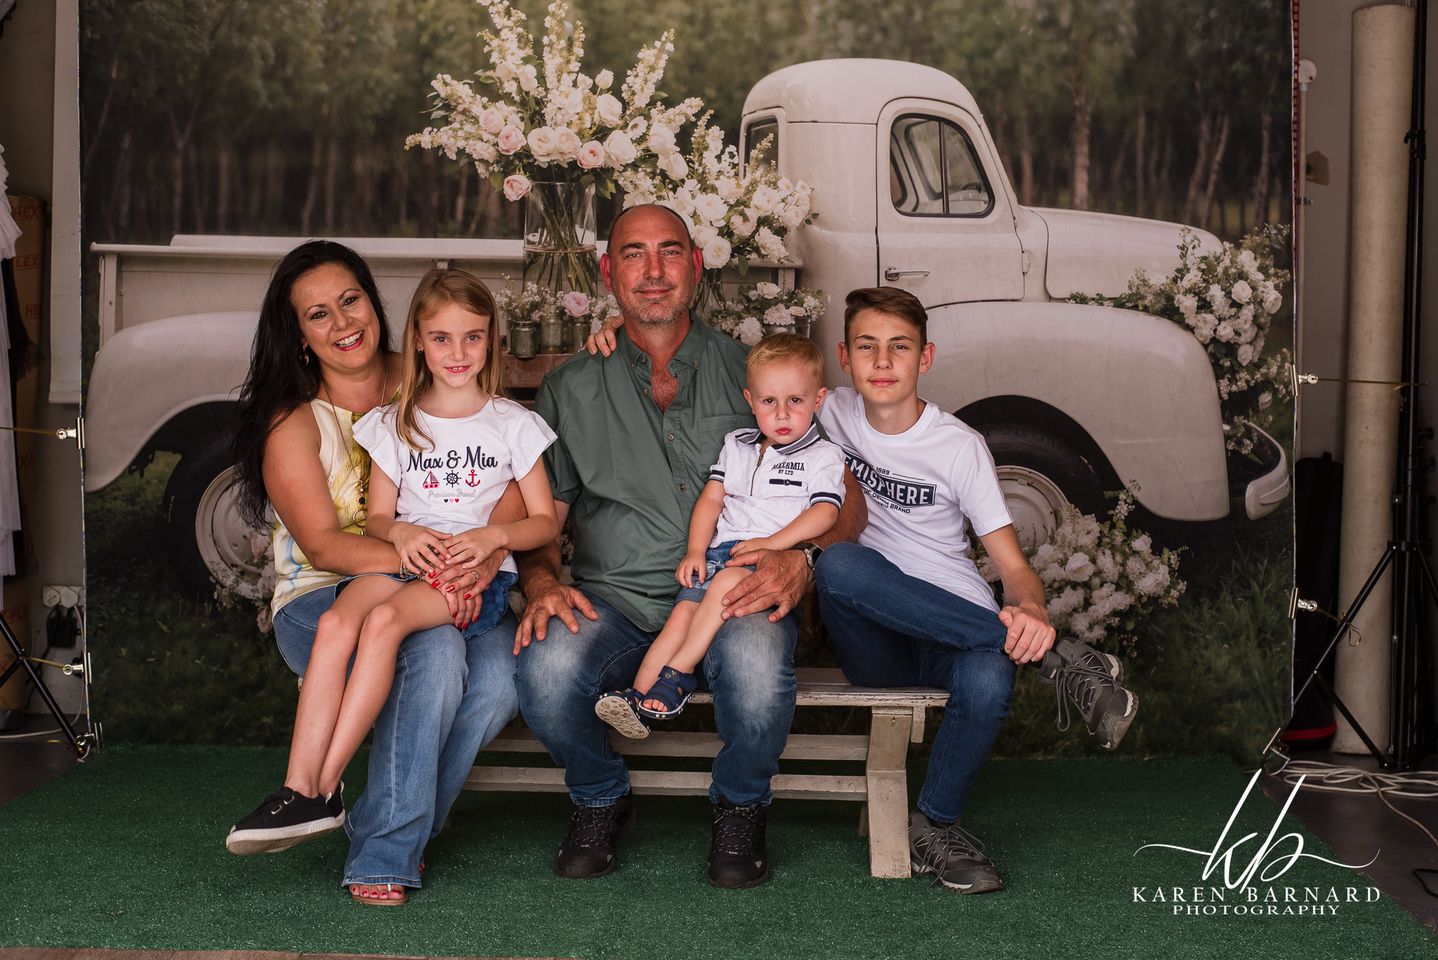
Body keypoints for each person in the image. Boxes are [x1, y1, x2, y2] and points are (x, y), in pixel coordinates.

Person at [513, 203, 866, 889]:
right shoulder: (571, 387)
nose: (653, 271)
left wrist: (803, 560)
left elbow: (846, 503)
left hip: (737, 590)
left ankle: (739, 806)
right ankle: (600, 796)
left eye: (670, 252)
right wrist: (541, 585)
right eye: (634, 255)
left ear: (696, 266)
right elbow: (539, 520)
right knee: (546, 672)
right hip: (614, 602)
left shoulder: (756, 372)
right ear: (608, 272)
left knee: (761, 681)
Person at [227, 268, 558, 880]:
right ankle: (346, 820)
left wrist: (482, 556)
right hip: (339, 584)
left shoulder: (470, 402)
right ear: (299, 335)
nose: (342, 321)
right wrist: (415, 549)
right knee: (415, 652)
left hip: (447, 573)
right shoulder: (318, 420)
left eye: (350, 301)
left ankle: (377, 811)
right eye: (318, 313)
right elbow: (336, 542)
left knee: (496, 683)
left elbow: (523, 506)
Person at [812, 286, 1139, 894]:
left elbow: (1013, 568)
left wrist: (1033, 607)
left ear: (925, 358)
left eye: (899, 347)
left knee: (990, 674)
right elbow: (750, 379)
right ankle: (1061, 662)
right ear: (844, 356)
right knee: (838, 566)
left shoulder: (959, 446)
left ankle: (935, 828)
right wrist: (611, 339)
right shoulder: (826, 410)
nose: (882, 362)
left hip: (952, 624)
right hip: (875, 639)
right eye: (867, 347)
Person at [595, 334, 845, 738]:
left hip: (766, 563)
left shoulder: (822, 455)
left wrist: (772, 544)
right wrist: (696, 550)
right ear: (750, 400)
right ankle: (637, 700)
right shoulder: (738, 445)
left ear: (818, 399)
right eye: (769, 402)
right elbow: (712, 499)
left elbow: (825, 512)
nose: (782, 413)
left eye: (795, 401)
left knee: (726, 584)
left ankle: (678, 675)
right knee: (681, 615)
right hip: (718, 555)